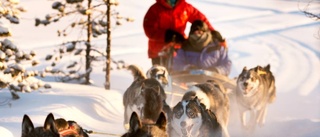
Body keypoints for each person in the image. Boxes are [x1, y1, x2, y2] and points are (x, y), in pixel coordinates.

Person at [143, 0, 215, 66]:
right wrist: (167, 35)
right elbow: (149, 29)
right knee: (161, 77)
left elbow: (201, 20)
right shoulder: (155, 9)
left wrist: (214, 33)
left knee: (180, 76)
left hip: (179, 49)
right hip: (159, 51)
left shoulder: (185, 7)